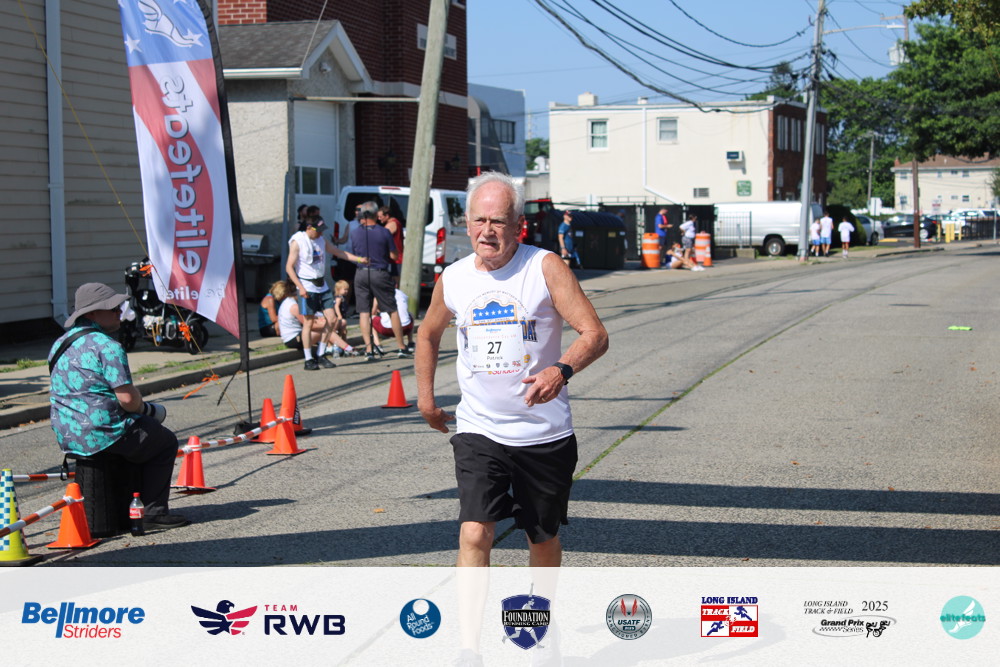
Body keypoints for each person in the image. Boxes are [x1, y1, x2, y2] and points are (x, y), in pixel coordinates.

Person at [415, 171, 609, 569]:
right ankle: (471, 615)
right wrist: (426, 400)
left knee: (541, 538)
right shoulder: (454, 277)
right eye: (479, 220)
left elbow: (595, 334)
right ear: (466, 222)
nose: (487, 231)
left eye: (498, 221)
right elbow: (428, 334)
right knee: (474, 533)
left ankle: (540, 610)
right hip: (479, 428)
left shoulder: (544, 267)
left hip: (542, 433)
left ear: (518, 224)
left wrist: (560, 370)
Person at [48, 283, 189, 530]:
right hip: (102, 430)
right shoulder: (107, 346)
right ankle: (153, 513)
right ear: (92, 313)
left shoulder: (59, 344)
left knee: (139, 436)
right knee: (164, 441)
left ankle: (127, 508)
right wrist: (149, 410)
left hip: (67, 430)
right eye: (113, 308)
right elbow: (127, 400)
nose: (119, 312)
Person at [286, 217, 366, 370]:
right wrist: (300, 287)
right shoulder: (298, 241)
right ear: (309, 227)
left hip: (322, 285)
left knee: (332, 319)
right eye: (318, 231)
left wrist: (359, 259)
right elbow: (289, 267)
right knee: (309, 322)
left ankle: (321, 354)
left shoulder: (321, 240)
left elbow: (338, 252)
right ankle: (308, 358)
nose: (321, 234)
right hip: (307, 285)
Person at [351, 202, 412, 361]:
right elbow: (394, 255)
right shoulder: (384, 232)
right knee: (392, 309)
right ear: (376, 215)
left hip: (361, 273)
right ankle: (401, 347)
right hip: (379, 273)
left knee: (364, 312)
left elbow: (355, 251)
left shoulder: (355, 233)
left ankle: (369, 350)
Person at [371, 288, 416, 353]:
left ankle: (378, 345)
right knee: (411, 314)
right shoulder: (402, 294)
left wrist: (379, 310)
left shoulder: (379, 294)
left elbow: (373, 312)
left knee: (370, 319)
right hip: (406, 328)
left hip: (386, 330)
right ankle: (410, 342)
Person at [377, 205, 404, 285]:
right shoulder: (396, 222)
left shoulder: (391, 225)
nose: (379, 218)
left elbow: (381, 239)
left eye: (380, 217)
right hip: (397, 258)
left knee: (394, 282)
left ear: (387, 216)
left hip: (395, 259)